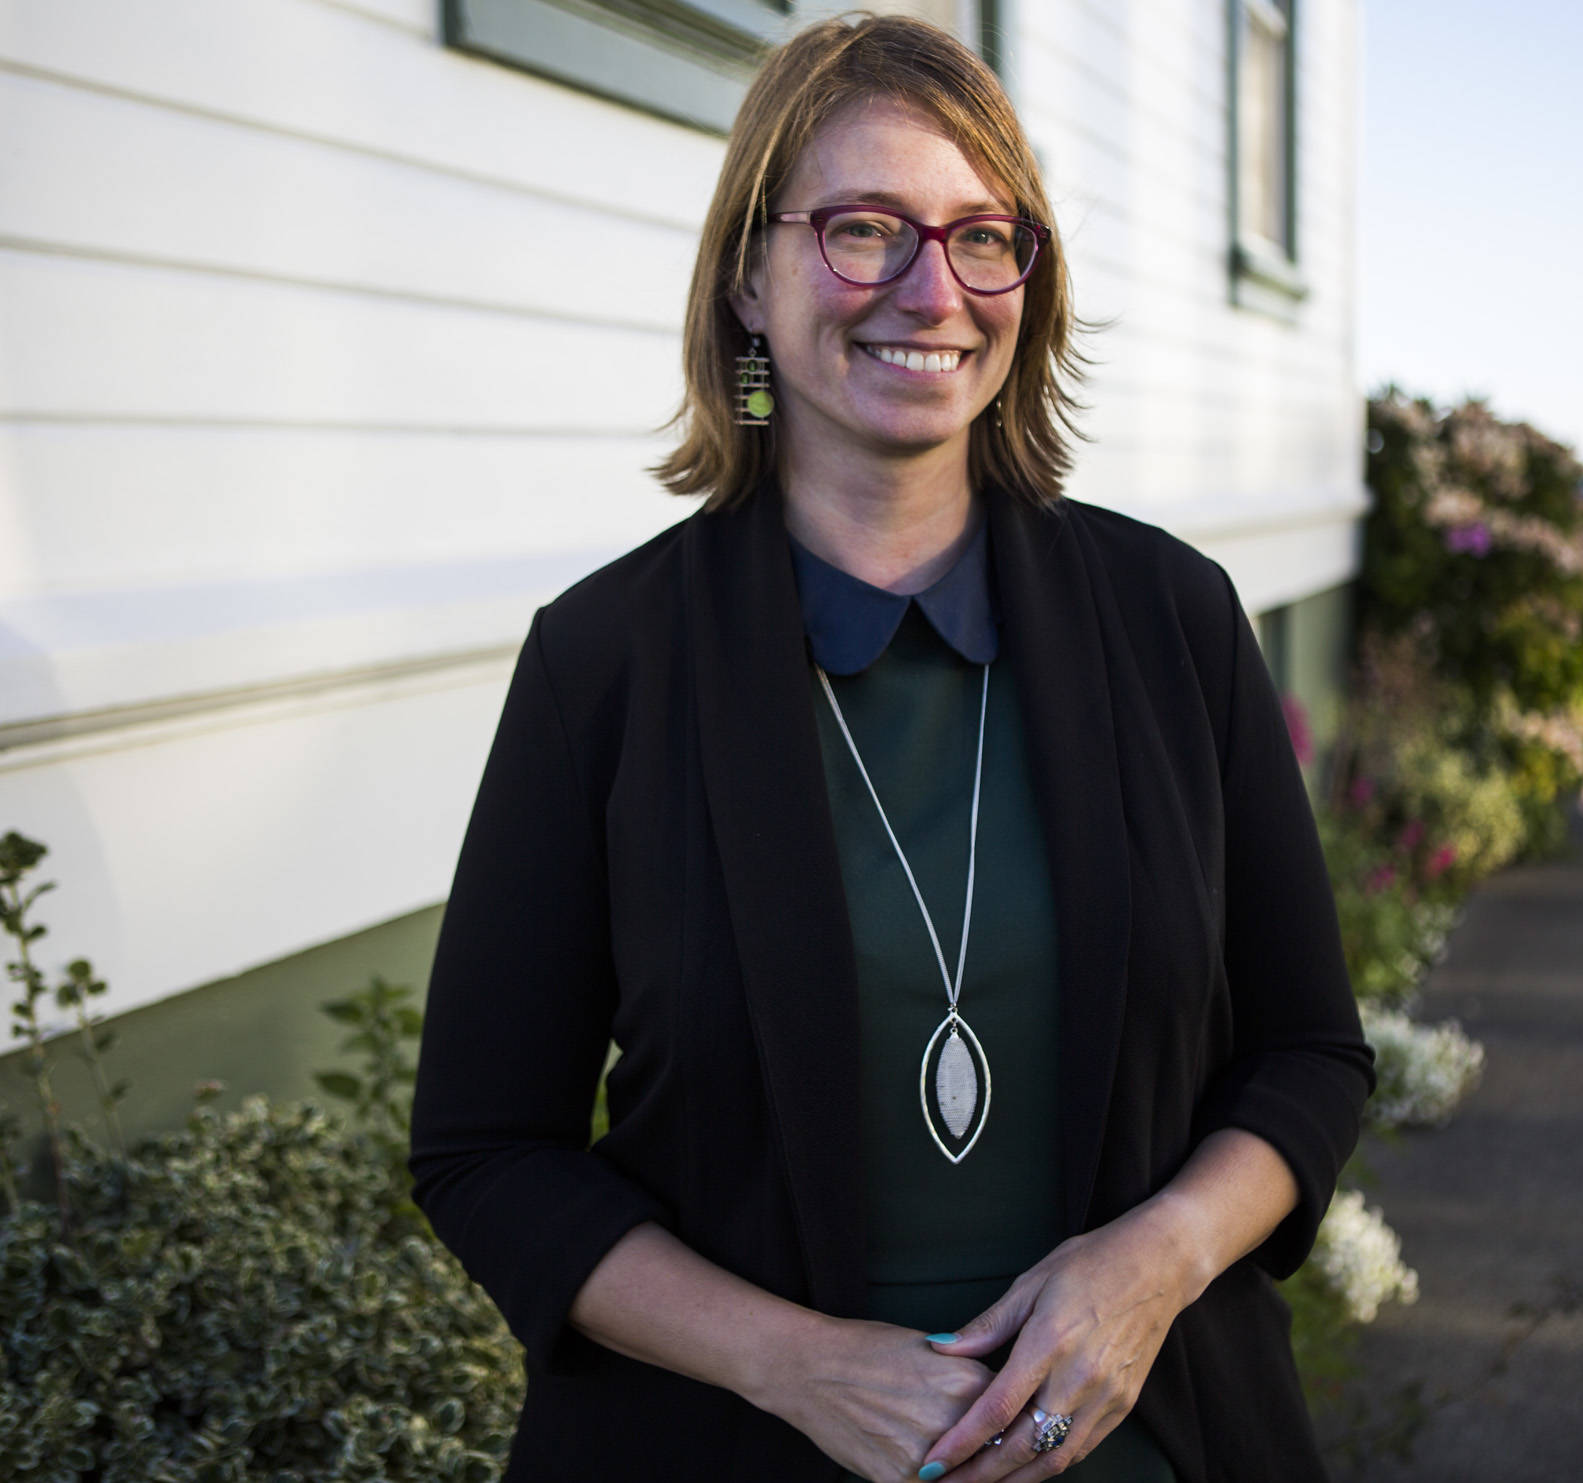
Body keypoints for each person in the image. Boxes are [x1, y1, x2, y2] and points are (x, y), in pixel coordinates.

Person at [407, 13, 1374, 1482]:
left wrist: (1154, 1266)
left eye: (986, 235)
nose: (933, 288)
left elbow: (1306, 1054)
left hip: (1145, 1445)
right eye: (864, 229)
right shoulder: (606, 663)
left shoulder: (1173, 619)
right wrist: (790, 1364)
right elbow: (485, 1148)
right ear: (748, 273)